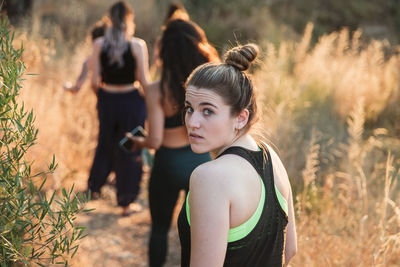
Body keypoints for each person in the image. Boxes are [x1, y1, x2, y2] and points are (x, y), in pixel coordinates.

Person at [177, 44, 297, 266]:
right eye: (189, 108)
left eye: (208, 111)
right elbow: (289, 250)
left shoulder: (209, 177)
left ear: (241, 118)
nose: (192, 123)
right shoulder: (271, 158)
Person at [126, 19, 219, 267]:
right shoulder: (208, 84)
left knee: (159, 229)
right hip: (200, 163)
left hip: (167, 164)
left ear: (165, 51)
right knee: (193, 235)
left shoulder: (157, 90)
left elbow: (155, 139)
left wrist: (137, 142)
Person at [89, 1, 150, 216]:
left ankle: (94, 190)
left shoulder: (98, 44)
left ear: (109, 20)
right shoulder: (137, 45)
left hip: (107, 100)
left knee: (105, 142)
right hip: (131, 102)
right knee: (130, 147)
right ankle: (125, 203)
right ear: (130, 20)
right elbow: (143, 80)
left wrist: (103, 98)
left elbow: (94, 81)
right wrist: (151, 102)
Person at [64, 19, 107, 92]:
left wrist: (66, 86)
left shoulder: (89, 61)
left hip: (103, 101)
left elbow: (76, 88)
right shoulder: (120, 57)